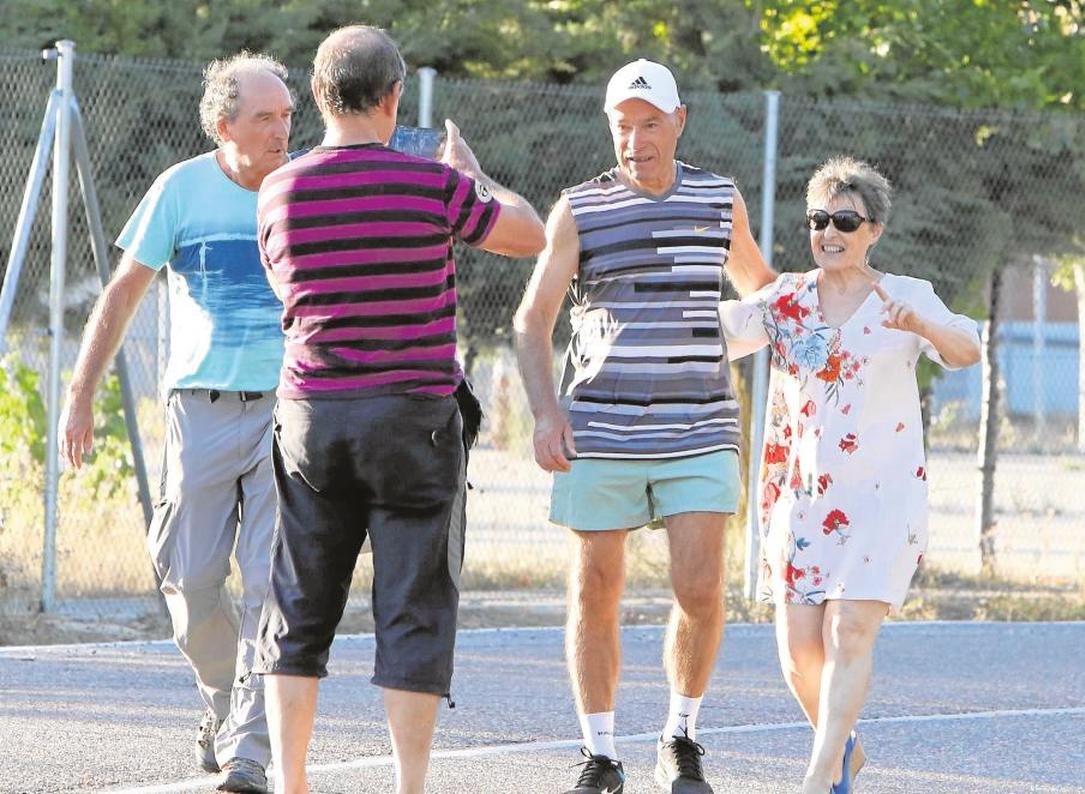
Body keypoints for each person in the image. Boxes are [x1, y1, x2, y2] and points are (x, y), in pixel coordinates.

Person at [253, 25, 545, 794]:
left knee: (298, 603)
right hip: (414, 417)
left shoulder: (279, 189)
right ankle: (409, 785)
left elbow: (288, 291)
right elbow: (529, 235)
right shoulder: (432, 186)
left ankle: (291, 781)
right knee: (414, 604)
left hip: (313, 418)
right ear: (393, 98)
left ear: (318, 97)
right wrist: (476, 177)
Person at [512, 58, 775, 794]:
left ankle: (680, 737)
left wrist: (822, 309)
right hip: (600, 428)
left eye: (650, 123)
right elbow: (532, 321)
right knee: (595, 586)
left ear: (679, 121)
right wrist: (545, 411)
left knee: (699, 589)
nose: (636, 140)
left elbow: (763, 290)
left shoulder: (718, 200)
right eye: (623, 126)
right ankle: (599, 753)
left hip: (700, 426)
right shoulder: (579, 208)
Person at [57, 53, 294, 793]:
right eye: (267, 118)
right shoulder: (180, 190)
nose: (285, 129)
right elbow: (124, 291)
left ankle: (249, 751)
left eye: (289, 115)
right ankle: (224, 705)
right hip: (200, 410)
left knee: (267, 585)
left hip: (293, 413)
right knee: (189, 584)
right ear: (226, 126)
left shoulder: (304, 186)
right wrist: (81, 391)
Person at [720, 156, 981, 793]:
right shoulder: (785, 300)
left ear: (874, 231)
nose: (829, 232)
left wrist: (922, 327)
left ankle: (817, 779)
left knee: (851, 628)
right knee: (795, 656)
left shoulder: (906, 295)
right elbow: (715, 335)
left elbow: (967, 350)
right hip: (801, 499)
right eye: (819, 219)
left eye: (844, 220)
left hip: (883, 498)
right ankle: (843, 749)